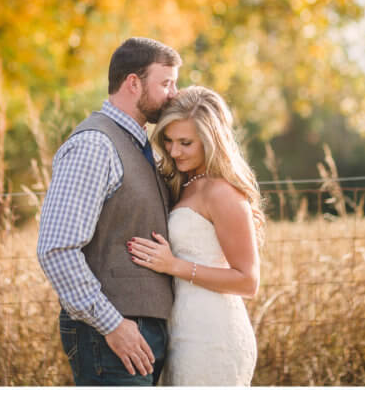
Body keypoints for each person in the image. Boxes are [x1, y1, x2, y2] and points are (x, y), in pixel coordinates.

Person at [37, 37, 181, 385]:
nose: (174, 94)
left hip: (142, 331)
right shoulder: (95, 144)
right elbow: (56, 249)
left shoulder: (142, 146)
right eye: (166, 83)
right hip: (111, 333)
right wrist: (112, 324)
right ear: (133, 83)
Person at [127, 85, 263, 386]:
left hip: (212, 335)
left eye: (185, 143)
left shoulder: (222, 193)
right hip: (180, 329)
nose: (174, 151)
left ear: (210, 140)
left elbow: (247, 281)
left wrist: (174, 266)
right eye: (169, 141)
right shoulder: (185, 183)